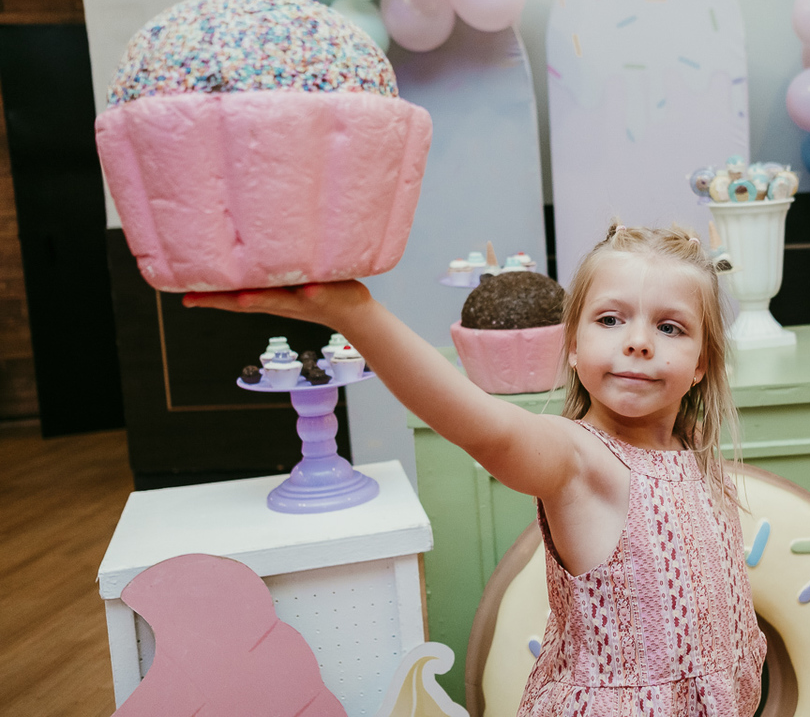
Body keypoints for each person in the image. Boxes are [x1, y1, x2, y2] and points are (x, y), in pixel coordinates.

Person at [185, 222, 767, 716]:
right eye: (610, 319)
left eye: (669, 327)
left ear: (701, 363)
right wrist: (355, 313)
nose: (638, 342)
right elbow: (485, 427)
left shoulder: (692, 452)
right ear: (571, 344)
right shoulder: (579, 460)